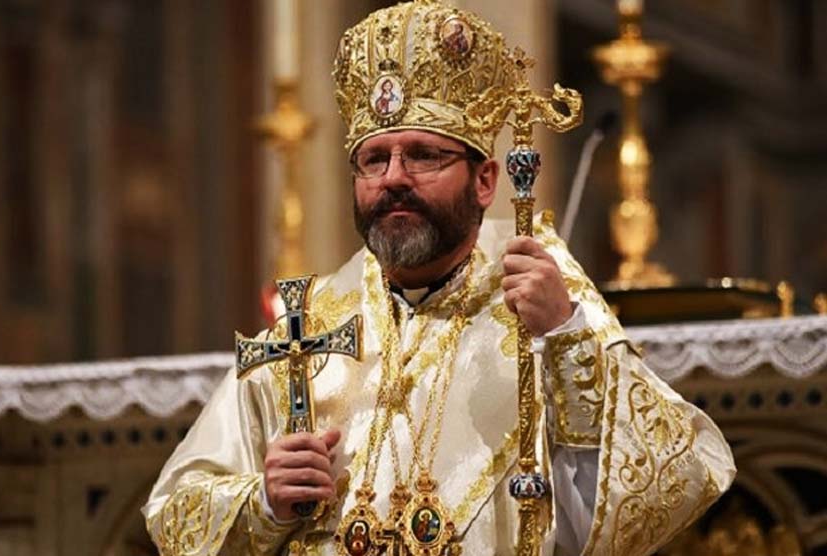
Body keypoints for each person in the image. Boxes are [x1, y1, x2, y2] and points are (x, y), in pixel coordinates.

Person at [142, 1, 735, 555]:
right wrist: (265, 503)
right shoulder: (307, 331)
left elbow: (674, 477)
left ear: (485, 181)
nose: (394, 178)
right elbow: (173, 512)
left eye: (424, 155)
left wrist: (566, 338)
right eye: (374, 159)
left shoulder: (546, 300)